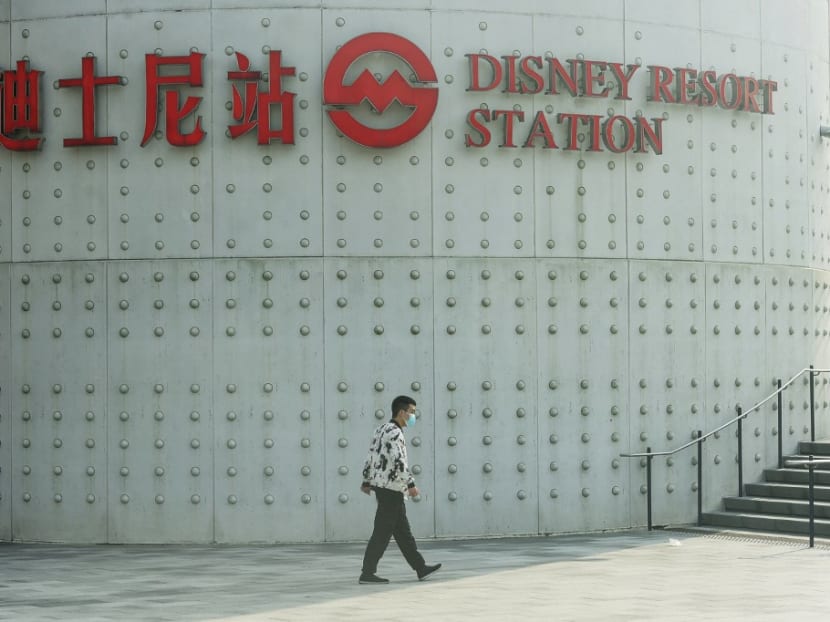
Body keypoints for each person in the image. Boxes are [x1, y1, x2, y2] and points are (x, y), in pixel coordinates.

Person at [358, 395, 441, 584]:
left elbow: (371, 456)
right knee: (382, 532)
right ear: (402, 412)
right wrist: (410, 484)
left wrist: (366, 480)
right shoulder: (395, 432)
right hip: (392, 488)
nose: (413, 416)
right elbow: (399, 461)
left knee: (403, 532)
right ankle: (367, 573)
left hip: (383, 486)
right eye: (411, 412)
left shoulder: (380, 429)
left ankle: (420, 568)